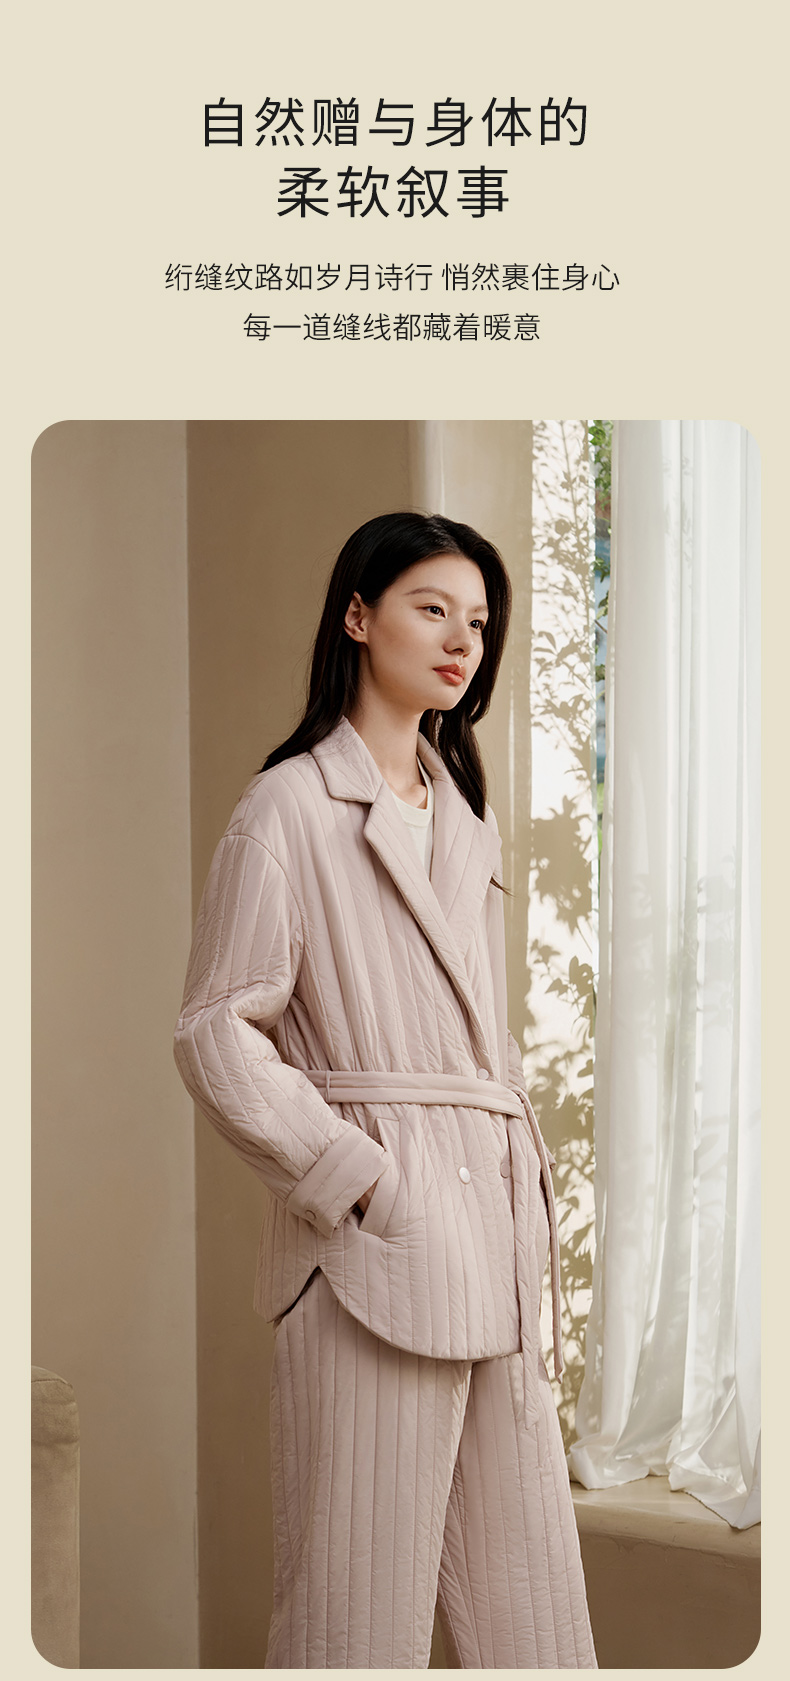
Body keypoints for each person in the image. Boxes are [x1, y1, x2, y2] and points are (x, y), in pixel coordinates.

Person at [174, 511, 597, 1670]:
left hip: (494, 1248)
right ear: (358, 616)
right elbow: (217, 1028)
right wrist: (355, 1180)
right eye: (431, 608)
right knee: (351, 1621)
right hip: (371, 1252)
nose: (462, 640)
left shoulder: (465, 819)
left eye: (479, 622)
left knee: (536, 1625)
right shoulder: (285, 808)